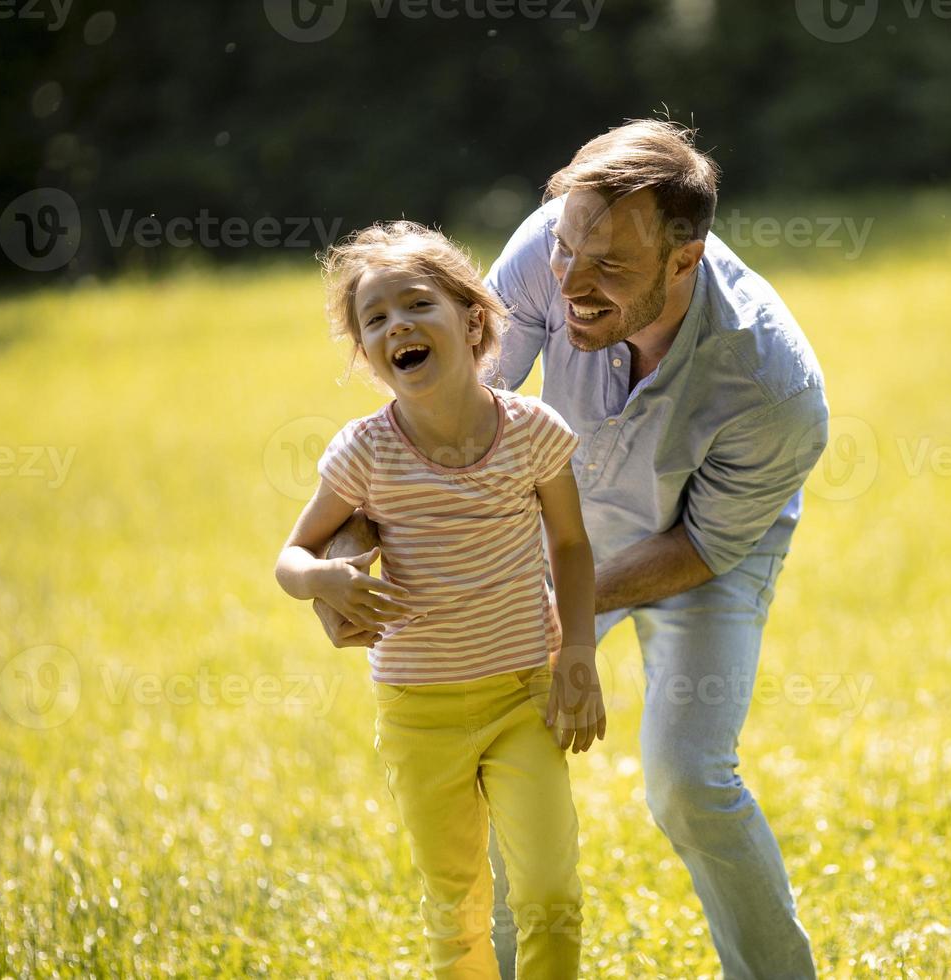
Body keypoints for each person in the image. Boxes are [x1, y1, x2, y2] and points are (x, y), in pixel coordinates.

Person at [319, 120, 829, 979]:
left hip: (696, 554)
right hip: (560, 526)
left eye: (610, 267)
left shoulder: (773, 385)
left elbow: (704, 544)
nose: (573, 284)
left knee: (689, 783)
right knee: (516, 772)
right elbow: (444, 430)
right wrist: (350, 554)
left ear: (685, 260)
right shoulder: (543, 257)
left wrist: (562, 614)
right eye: (567, 251)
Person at [275, 220, 605, 979]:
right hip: (418, 712)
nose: (399, 325)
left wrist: (578, 653)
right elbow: (291, 557)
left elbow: (573, 548)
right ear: (369, 354)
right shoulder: (365, 451)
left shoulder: (533, 433)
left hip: (524, 695)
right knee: (454, 906)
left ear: (473, 318)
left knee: (551, 891)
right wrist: (322, 578)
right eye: (376, 319)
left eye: (417, 304)